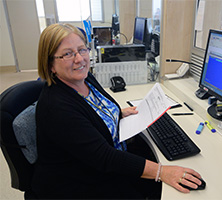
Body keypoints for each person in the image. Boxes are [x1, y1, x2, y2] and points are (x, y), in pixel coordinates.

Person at [31, 23, 203, 199]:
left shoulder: (84, 78)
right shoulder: (57, 107)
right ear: (50, 64)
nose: (79, 59)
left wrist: (117, 112)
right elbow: (104, 157)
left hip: (104, 163)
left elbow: (91, 111)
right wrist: (161, 172)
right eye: (68, 54)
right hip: (80, 182)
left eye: (82, 50)